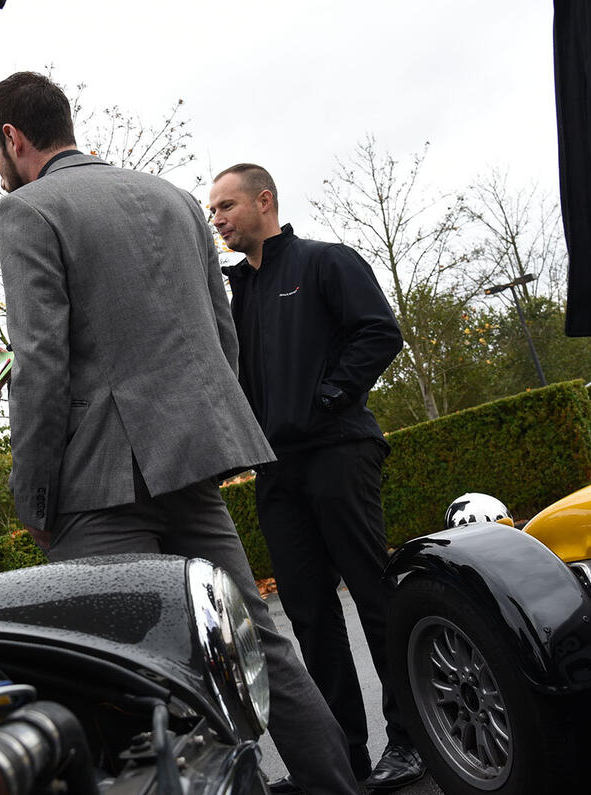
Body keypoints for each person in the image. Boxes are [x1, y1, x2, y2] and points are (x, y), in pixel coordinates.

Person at [0, 71, 360, 795]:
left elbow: (40, 363)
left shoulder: (27, 210)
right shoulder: (175, 199)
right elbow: (221, 335)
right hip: (189, 468)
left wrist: (34, 497)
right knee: (256, 643)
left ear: (13, 138)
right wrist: (204, 435)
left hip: (98, 486)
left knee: (124, 678)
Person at [209, 163, 421, 792]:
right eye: (212, 210)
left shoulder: (326, 261)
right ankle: (344, 760)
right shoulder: (238, 293)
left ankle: (412, 740)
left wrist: (327, 399)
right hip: (276, 471)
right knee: (308, 616)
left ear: (263, 201)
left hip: (338, 451)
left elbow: (379, 332)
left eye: (225, 206)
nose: (217, 219)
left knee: (374, 595)